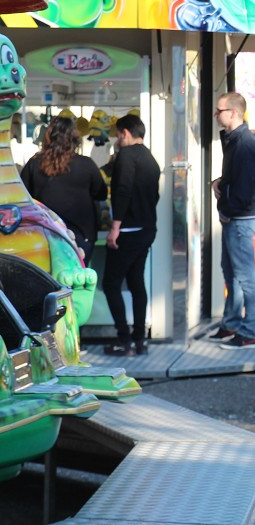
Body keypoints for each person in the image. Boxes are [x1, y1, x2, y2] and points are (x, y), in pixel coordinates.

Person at [208, 92, 255, 349]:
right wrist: (221, 184)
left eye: (219, 110)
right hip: (237, 216)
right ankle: (232, 323)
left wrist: (227, 208)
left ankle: (249, 330)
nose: (216, 115)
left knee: (243, 276)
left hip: (240, 217)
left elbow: (244, 189)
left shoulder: (242, 142)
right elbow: (238, 181)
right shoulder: (237, 140)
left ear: (232, 112)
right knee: (232, 273)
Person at [101, 114, 160, 356]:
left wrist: (115, 227)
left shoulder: (126, 156)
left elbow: (122, 191)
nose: (118, 138)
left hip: (127, 230)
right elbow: (153, 196)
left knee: (111, 283)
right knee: (136, 282)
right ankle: (139, 340)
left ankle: (124, 339)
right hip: (146, 229)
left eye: (118, 134)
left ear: (125, 132)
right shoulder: (150, 158)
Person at [20, 114, 107, 264]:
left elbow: (22, 196)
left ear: (48, 137)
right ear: (74, 139)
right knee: (78, 278)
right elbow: (101, 194)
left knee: (50, 281)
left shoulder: (35, 164)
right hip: (82, 233)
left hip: (45, 232)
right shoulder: (86, 164)